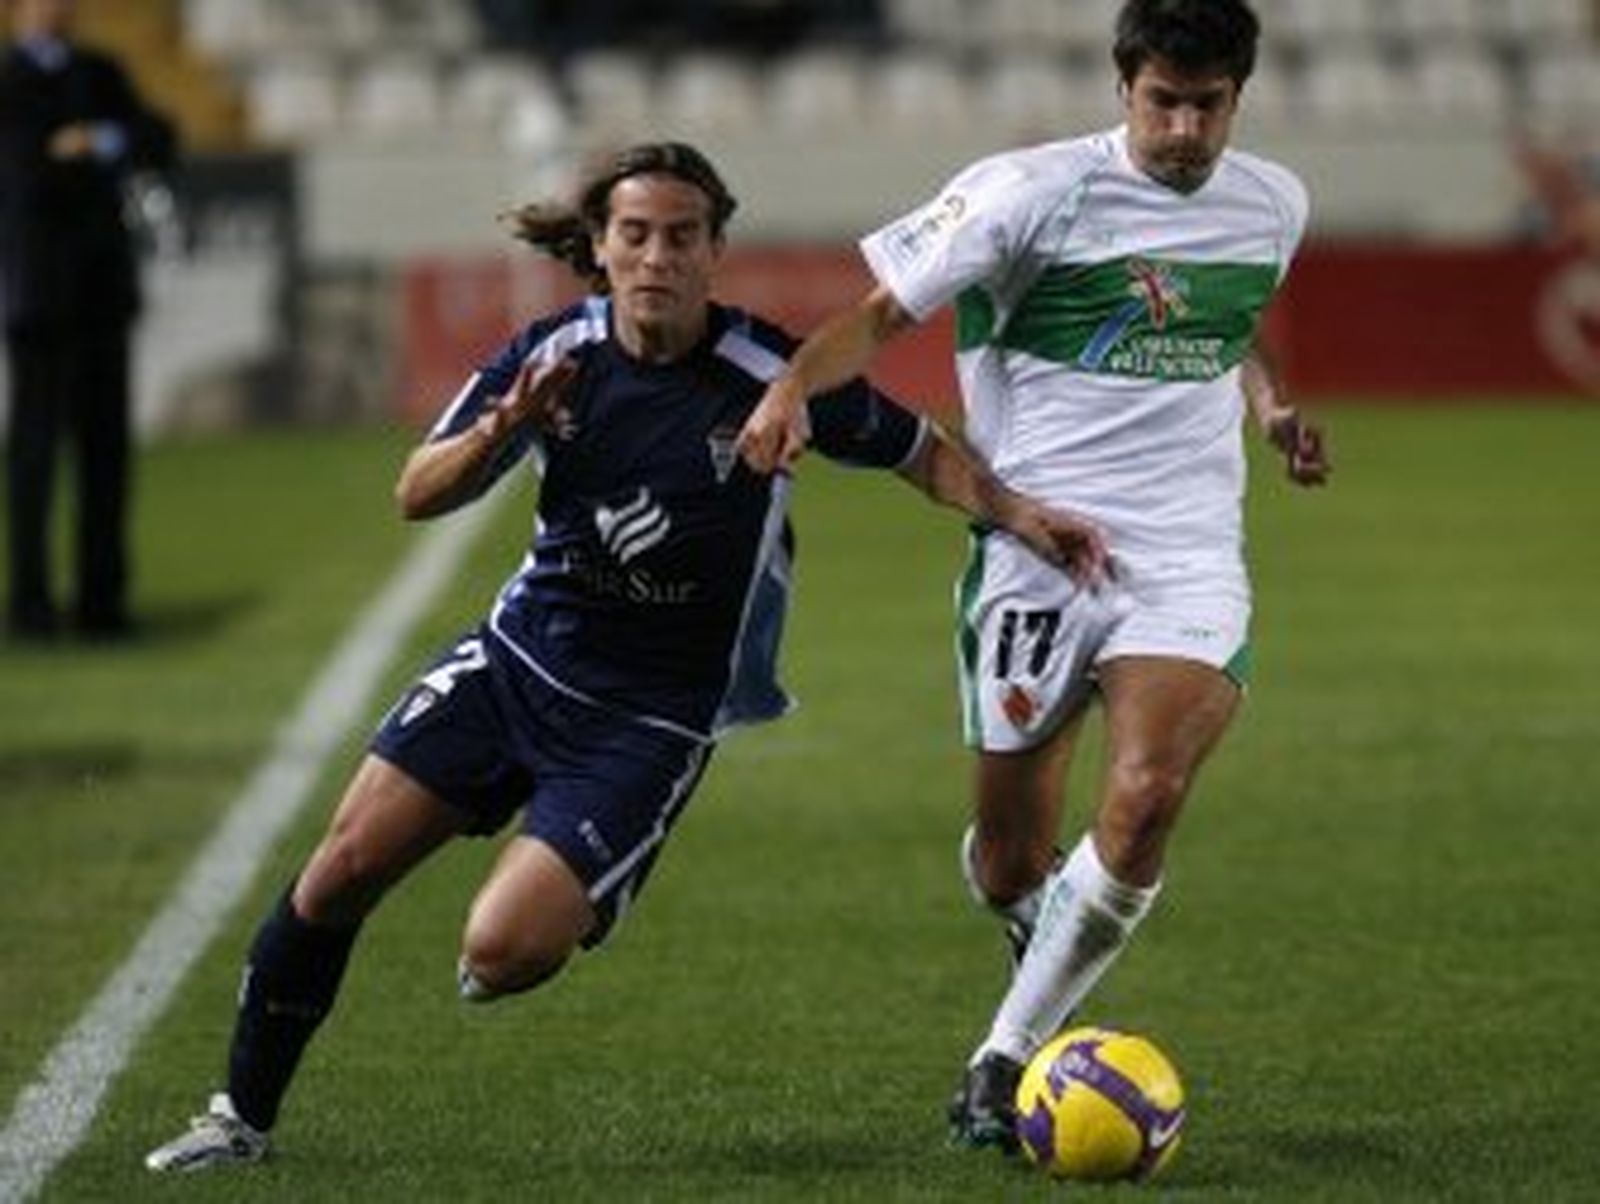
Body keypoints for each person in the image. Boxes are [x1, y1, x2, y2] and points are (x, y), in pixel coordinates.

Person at [143, 141, 1107, 1172]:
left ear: (714, 252)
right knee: (336, 873)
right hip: (516, 663)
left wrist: (1015, 514)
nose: (656, 256)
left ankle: (577, 879)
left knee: (500, 954)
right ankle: (238, 1118)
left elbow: (916, 450)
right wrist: (501, 431)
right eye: (634, 235)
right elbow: (417, 491)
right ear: (600, 250)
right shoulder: (553, 354)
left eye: (680, 236)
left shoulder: (768, 377)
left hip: (646, 722)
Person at [736, 0, 1330, 1152]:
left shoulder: (1273, 203)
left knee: (1148, 791)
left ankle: (1000, 1056)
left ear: (1238, 100)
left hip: (1185, 554)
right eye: (1163, 100)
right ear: (1123, 87)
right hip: (1035, 550)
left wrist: (1270, 404)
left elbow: (1228, 320)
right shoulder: (1026, 193)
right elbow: (875, 315)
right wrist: (788, 388)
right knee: (1013, 856)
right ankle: (1035, 916)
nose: (1183, 129)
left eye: (1207, 106)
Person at [0, 0, 177, 640]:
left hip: (103, 292)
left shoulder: (101, 71)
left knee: (105, 456)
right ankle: (30, 604)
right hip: (40, 297)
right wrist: (85, 146)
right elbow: (27, 168)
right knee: (33, 459)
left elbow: (160, 136)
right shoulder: (9, 81)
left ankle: (102, 602)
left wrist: (101, 139)